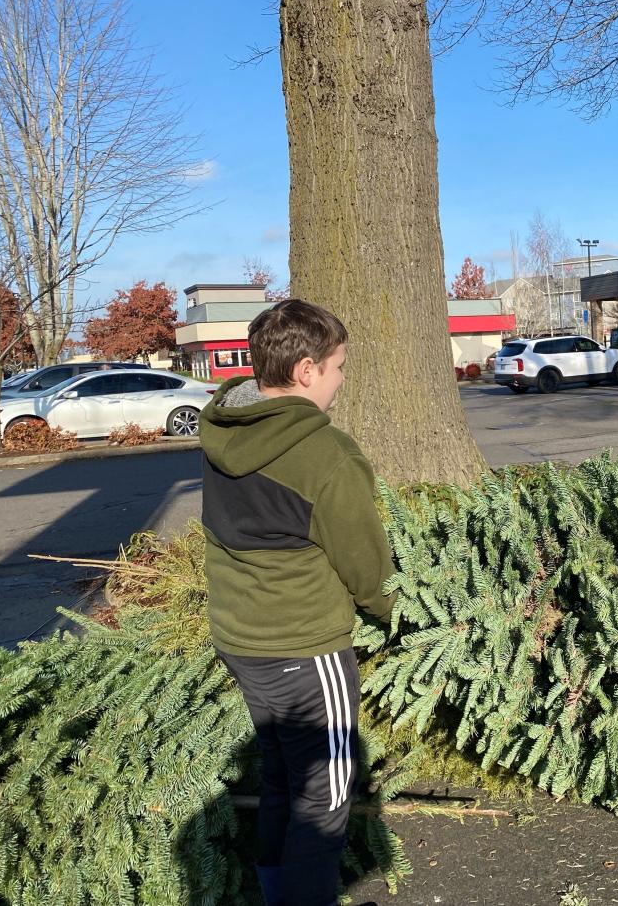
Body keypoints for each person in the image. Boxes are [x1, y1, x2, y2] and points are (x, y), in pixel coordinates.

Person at [199, 299, 396, 905]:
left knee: (284, 777)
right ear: (307, 370)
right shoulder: (325, 454)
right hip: (303, 645)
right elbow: (367, 567)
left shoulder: (223, 431)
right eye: (339, 367)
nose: (340, 380)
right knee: (326, 795)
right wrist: (396, 615)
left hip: (240, 640)